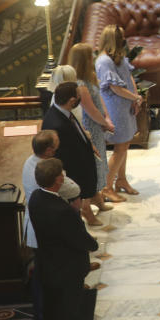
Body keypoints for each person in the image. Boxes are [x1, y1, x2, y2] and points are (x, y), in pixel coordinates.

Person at [27, 157, 98, 320]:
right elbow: (79, 239)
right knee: (69, 310)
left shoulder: (36, 197)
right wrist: (92, 244)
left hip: (48, 263)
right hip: (67, 268)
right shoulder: (62, 211)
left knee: (54, 306)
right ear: (58, 180)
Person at [42, 82, 102, 227]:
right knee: (75, 208)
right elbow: (63, 155)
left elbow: (77, 131)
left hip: (81, 163)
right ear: (72, 101)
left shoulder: (63, 112)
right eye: (79, 96)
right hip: (74, 171)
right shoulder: (56, 123)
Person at [69, 42, 121, 204]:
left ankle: (97, 198)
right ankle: (89, 203)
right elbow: (90, 110)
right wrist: (105, 122)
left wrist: (107, 118)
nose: (93, 57)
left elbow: (99, 99)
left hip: (98, 123)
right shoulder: (80, 84)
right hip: (90, 125)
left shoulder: (89, 77)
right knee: (95, 163)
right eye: (90, 55)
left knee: (100, 161)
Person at [96, 24, 143, 197]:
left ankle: (121, 180)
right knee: (120, 146)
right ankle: (107, 187)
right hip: (116, 107)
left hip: (127, 103)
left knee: (126, 143)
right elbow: (115, 88)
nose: (124, 40)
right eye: (121, 37)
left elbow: (128, 76)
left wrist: (136, 96)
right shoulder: (104, 61)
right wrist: (135, 98)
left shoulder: (118, 56)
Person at [21, 130, 82, 249]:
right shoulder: (47, 171)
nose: (59, 140)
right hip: (51, 220)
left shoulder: (29, 161)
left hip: (38, 215)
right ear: (49, 150)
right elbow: (74, 190)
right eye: (57, 140)